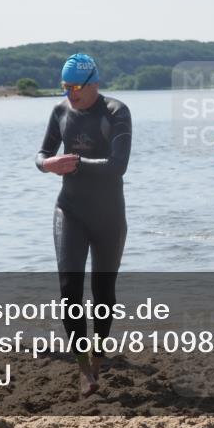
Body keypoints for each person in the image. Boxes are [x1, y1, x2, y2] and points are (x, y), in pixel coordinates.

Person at [36, 53, 131, 397]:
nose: (70, 93)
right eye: (65, 87)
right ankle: (83, 369)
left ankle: (97, 355)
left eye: (76, 86)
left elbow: (118, 165)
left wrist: (73, 163)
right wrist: (48, 164)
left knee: (103, 294)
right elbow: (42, 153)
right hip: (70, 211)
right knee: (69, 291)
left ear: (94, 83)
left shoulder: (116, 113)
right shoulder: (61, 111)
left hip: (108, 215)